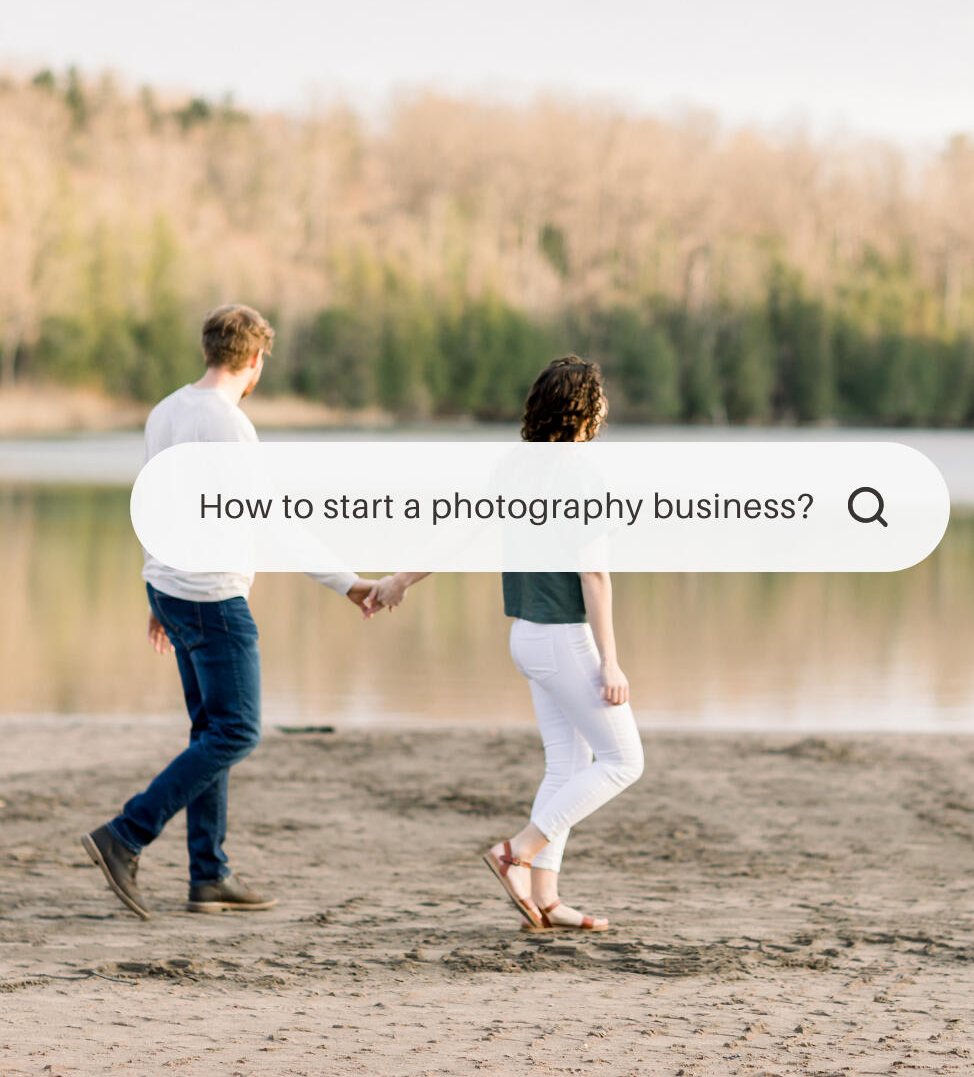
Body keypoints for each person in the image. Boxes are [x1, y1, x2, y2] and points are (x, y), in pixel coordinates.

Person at [81, 304, 379, 919]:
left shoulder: (165, 411)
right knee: (237, 731)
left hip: (174, 590)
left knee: (210, 731)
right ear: (255, 359)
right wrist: (346, 582)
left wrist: (152, 589)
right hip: (213, 599)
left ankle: (209, 876)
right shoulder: (230, 426)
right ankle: (126, 834)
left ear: (209, 349)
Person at [368, 355, 644, 931]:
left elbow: (460, 531)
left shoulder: (517, 466)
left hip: (527, 638)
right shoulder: (585, 474)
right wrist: (611, 660)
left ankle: (546, 898)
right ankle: (514, 853)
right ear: (587, 412)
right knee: (624, 761)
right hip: (564, 641)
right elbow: (595, 576)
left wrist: (399, 579)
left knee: (568, 764)